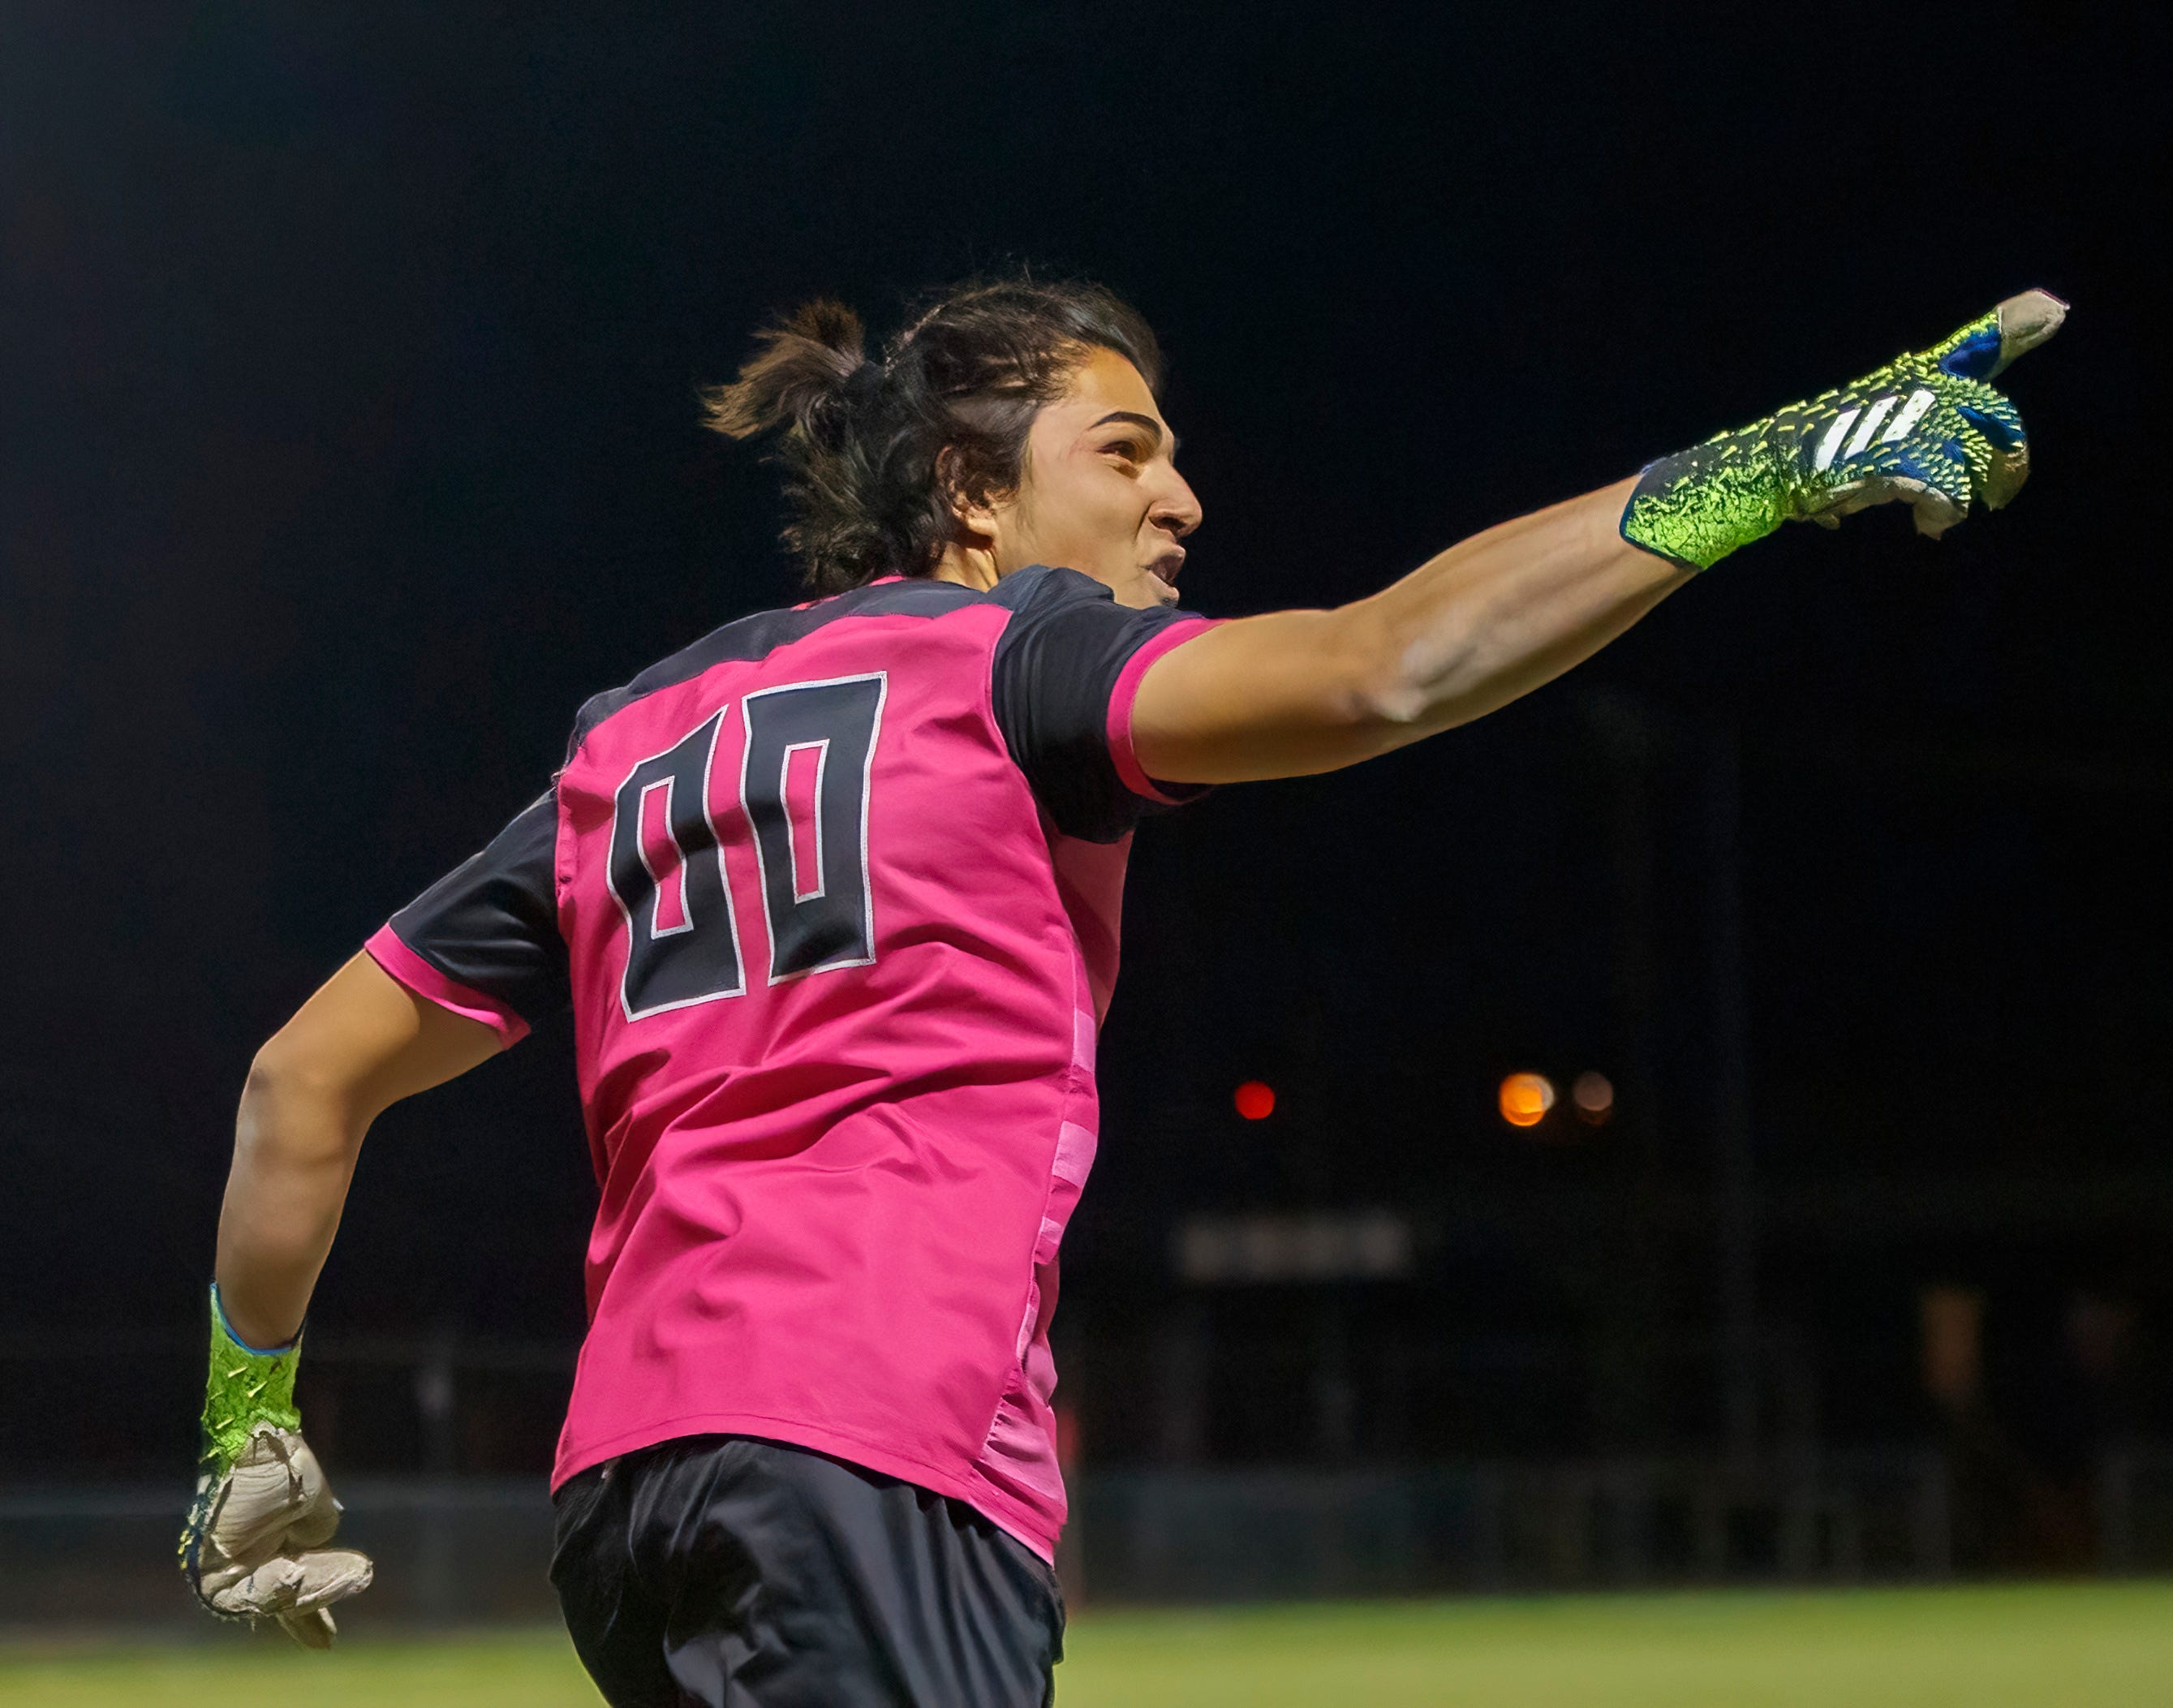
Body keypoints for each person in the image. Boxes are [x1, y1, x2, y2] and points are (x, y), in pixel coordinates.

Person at [179, 274, 2065, 1704]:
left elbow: (298, 1084)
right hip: (868, 1450)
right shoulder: (1008, 665)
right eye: (1124, 448)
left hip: (627, 1493)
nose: (1179, 496)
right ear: (968, 500)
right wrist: (1766, 470)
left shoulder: (629, 743)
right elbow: (1382, 672)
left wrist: (243, 1420)